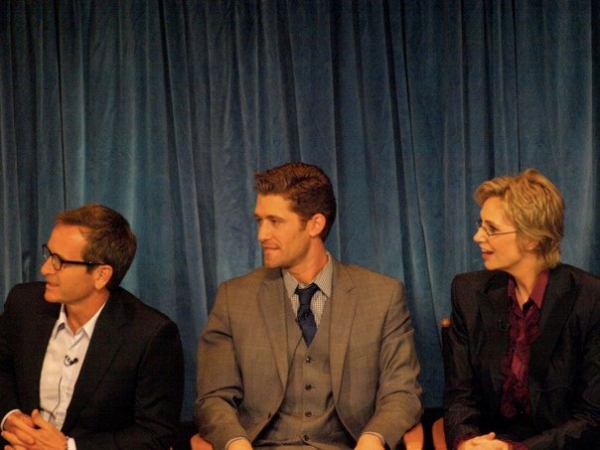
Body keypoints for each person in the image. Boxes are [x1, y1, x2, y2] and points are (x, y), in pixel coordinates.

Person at [194, 162, 422, 450]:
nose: (262, 234)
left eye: (275, 221)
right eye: (259, 221)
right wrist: (235, 442)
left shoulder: (382, 296)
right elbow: (213, 398)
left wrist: (373, 438)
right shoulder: (234, 297)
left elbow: (402, 392)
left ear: (315, 224)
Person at [0, 203, 184, 449]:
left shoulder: (150, 335)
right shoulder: (23, 305)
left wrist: (69, 448)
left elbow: (155, 434)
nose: (45, 269)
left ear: (101, 275)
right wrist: (9, 417)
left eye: (59, 261)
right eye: (48, 253)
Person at [443, 169, 600, 449]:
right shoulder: (467, 292)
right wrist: (467, 441)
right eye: (481, 225)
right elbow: (460, 396)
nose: (477, 236)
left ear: (531, 238)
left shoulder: (590, 300)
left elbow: (592, 417)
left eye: (491, 229)